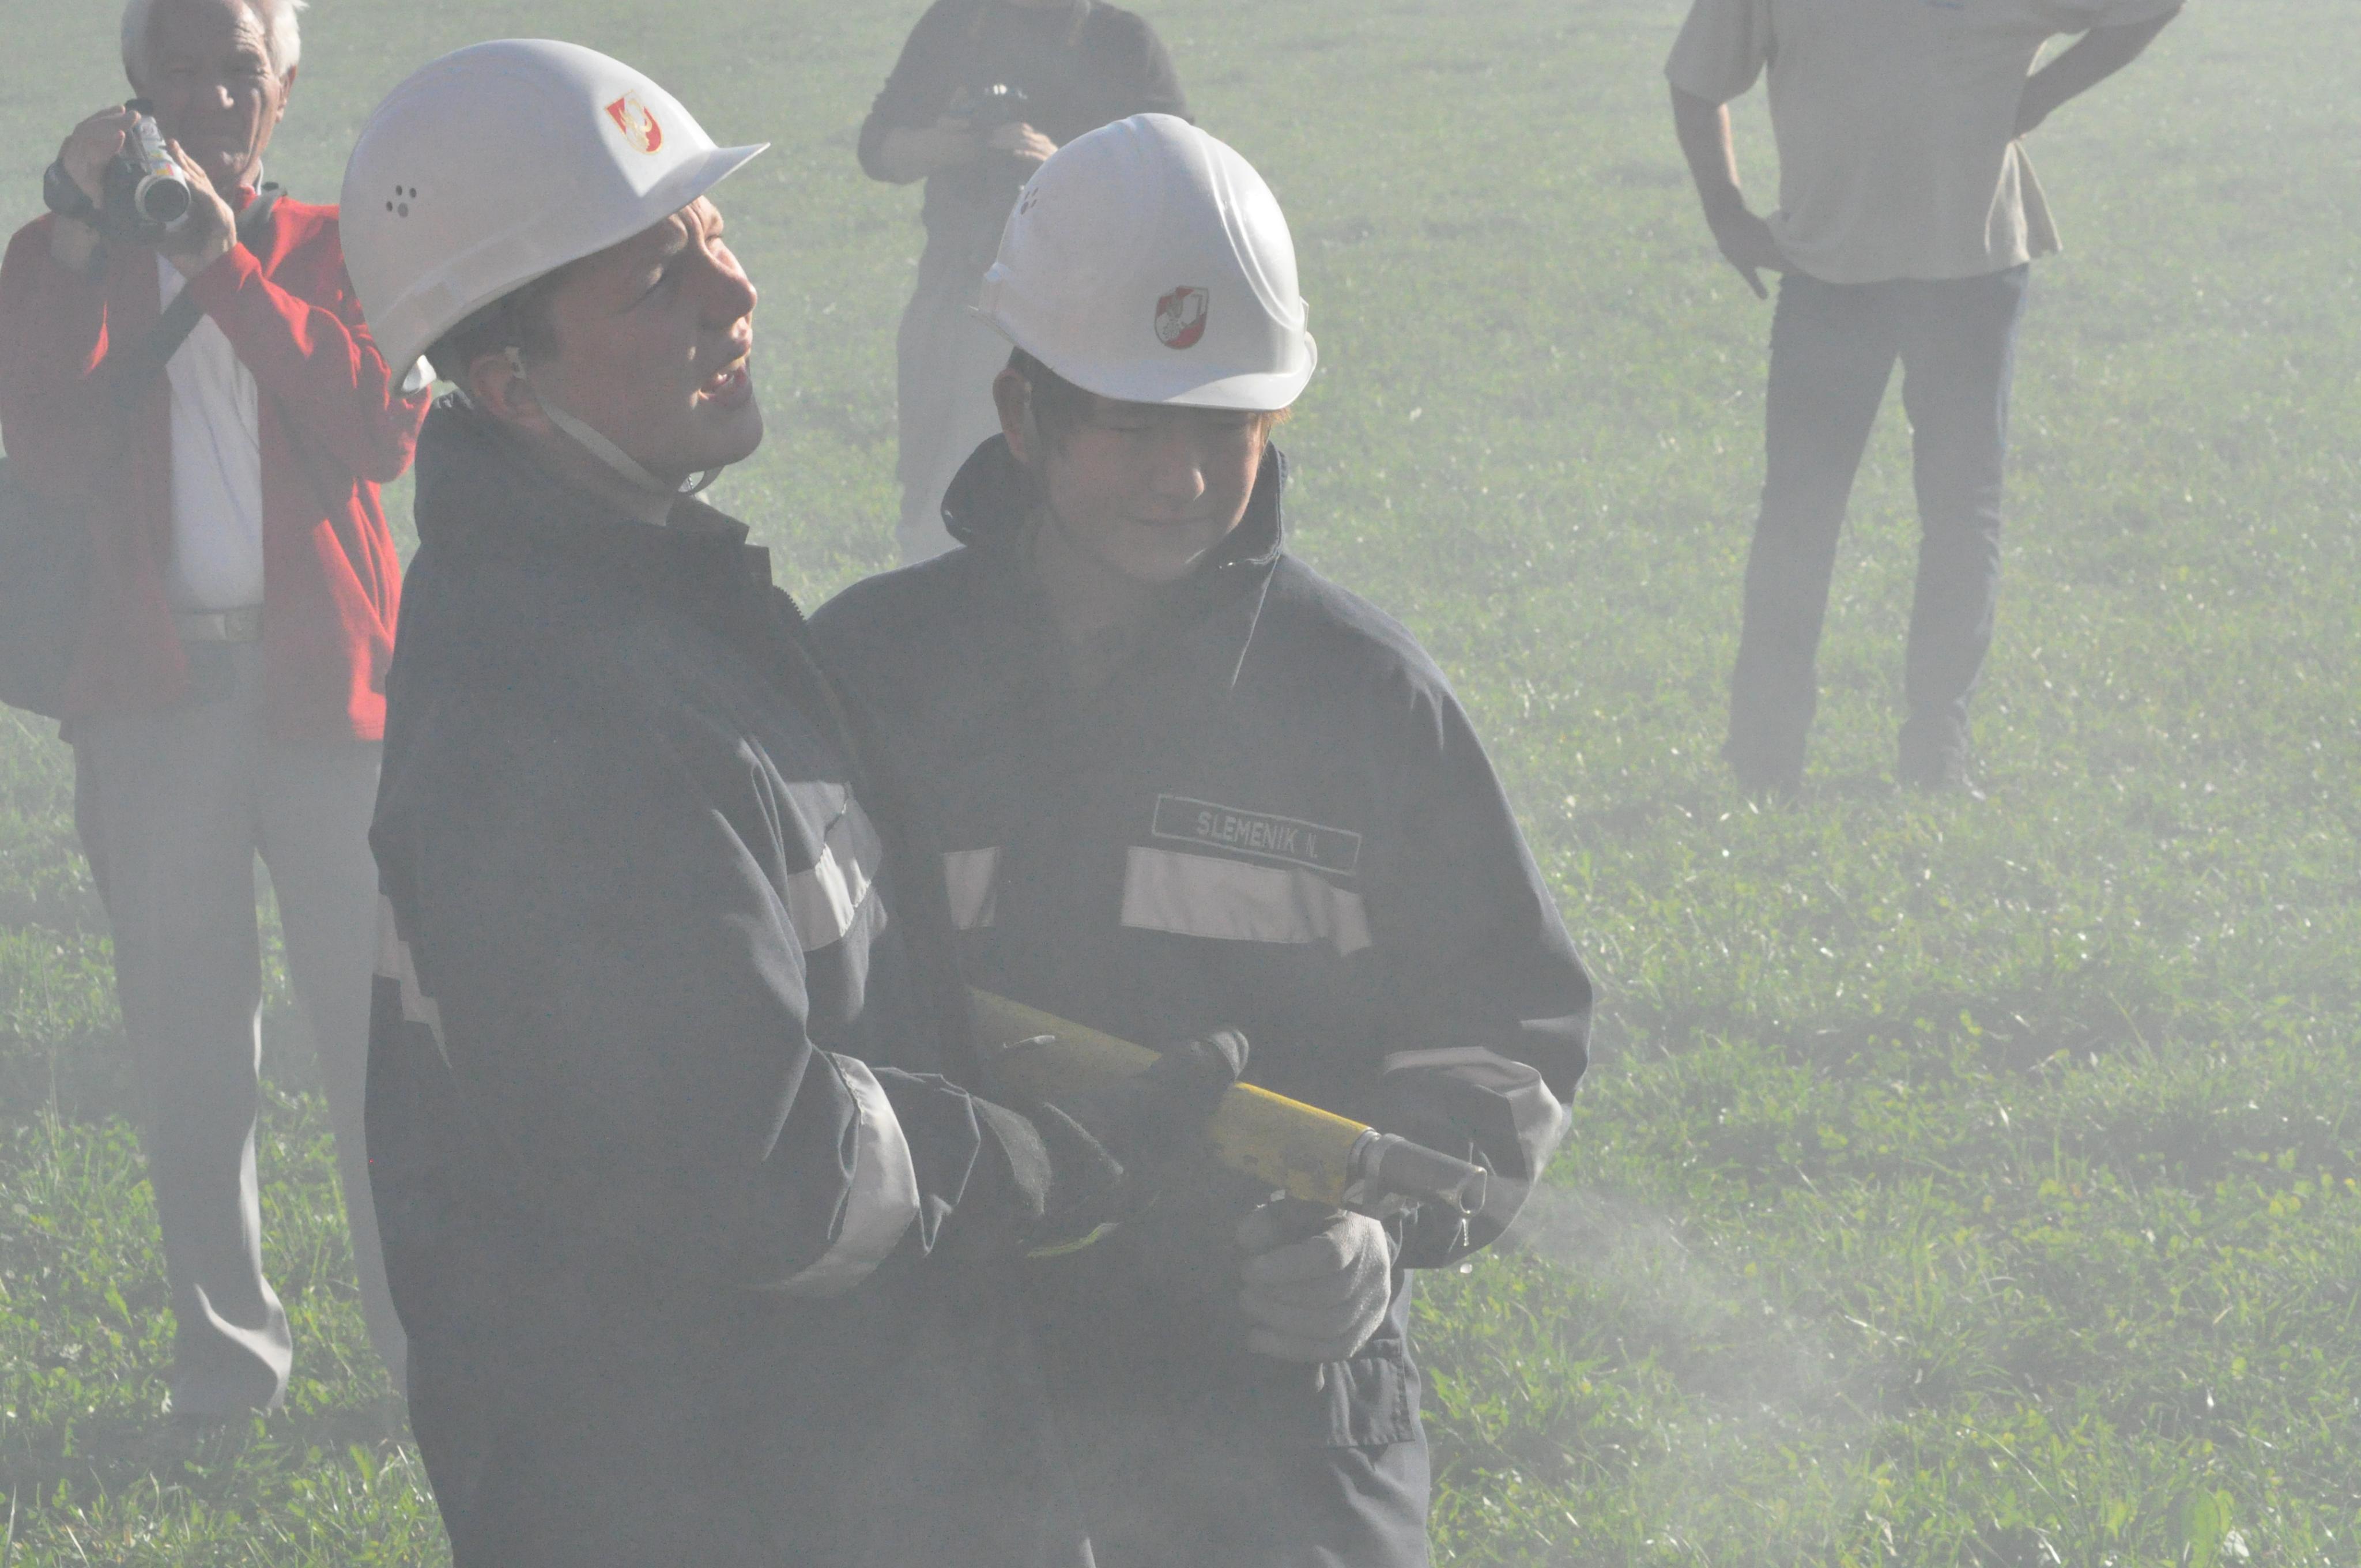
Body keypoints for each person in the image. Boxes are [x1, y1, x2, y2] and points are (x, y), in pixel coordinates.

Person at [342, 44, 1244, 1568]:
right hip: (720, 1491)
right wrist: (1046, 1162)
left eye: (713, 238)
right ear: (507, 385)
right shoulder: (562, 710)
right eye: (655, 282)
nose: (732, 293)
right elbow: (754, 1172)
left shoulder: (647, 608)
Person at [813, 115, 1591, 1568]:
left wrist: (1380, 1234)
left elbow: (1505, 1030)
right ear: (1023, 412)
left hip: (1278, 1401)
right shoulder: (869, 678)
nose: (1178, 478)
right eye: (1132, 425)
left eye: (1220, 428)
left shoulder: (1364, 701)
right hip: (958, 1374)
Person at [0, 0, 427, 1429]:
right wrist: (82, 236)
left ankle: (421, 1351)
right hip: (153, 697)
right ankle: (228, 1365)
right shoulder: (60, 260)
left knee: (377, 1045)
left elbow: (376, 427)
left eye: (242, 71)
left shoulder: (337, 247)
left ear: (284, 88)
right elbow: (44, 446)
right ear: (133, 95)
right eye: (178, 74)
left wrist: (220, 260)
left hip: (331, 701)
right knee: (189, 1048)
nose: (213, 101)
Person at [1666, 0, 2185, 796]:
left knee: (1953, 512)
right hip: (1831, 272)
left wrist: (2037, 98)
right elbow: (1696, 80)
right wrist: (1724, 213)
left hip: (1970, 272)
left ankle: (1935, 751)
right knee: (1804, 513)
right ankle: (1767, 755)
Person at [859, 0, 1186, 564]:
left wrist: (1059, 164)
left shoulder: (1121, 41)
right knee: (936, 489)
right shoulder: (957, 22)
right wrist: (949, 143)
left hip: (1086, 307)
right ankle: (932, 592)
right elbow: (878, 149)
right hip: (960, 293)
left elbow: (1180, 180)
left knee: (1070, 484)